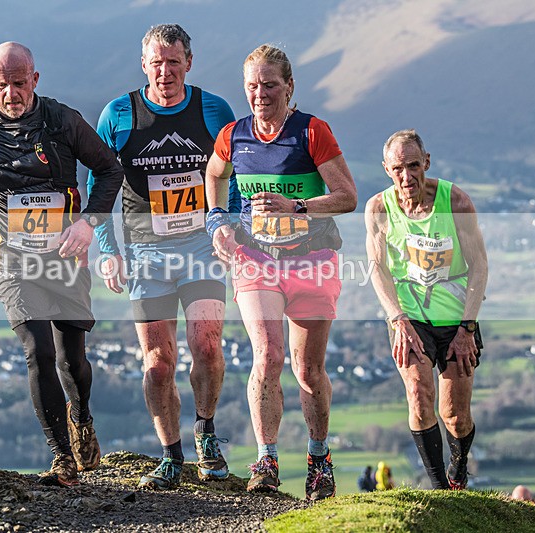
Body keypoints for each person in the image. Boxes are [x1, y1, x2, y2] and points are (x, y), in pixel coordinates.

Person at [0, 42, 124, 487]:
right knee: (38, 352)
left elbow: (110, 170)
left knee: (71, 361)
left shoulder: (63, 121)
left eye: (20, 83)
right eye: (2, 85)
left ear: (35, 80)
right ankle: (61, 456)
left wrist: (88, 224)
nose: (11, 94)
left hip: (65, 255)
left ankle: (81, 416)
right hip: (9, 260)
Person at [204, 44, 357, 500]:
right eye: (252, 86)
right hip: (257, 260)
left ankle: (318, 459)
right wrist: (217, 221)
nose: (260, 94)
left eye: (270, 85)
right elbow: (214, 175)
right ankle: (266, 459)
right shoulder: (234, 135)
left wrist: (298, 206)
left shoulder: (312, 132)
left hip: (313, 259)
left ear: (289, 87)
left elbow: (347, 196)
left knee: (308, 369)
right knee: (268, 356)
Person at [87, 24, 237, 490]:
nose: (166, 72)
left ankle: (206, 433)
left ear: (189, 63)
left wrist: (227, 227)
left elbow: (235, 174)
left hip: (200, 247)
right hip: (146, 252)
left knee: (208, 345)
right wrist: (110, 251)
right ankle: (172, 456)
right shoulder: (118, 115)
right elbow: (99, 189)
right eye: (157, 63)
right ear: (144, 65)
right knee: (157, 363)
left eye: (174, 62)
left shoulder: (214, 111)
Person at [365, 129, 487, 491]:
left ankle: (458, 469)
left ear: (427, 163)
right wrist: (397, 319)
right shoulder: (378, 209)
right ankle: (439, 488)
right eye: (398, 168)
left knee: (455, 415)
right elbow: (378, 268)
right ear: (387, 169)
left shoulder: (456, 202)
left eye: (414, 166)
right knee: (418, 393)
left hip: (456, 319)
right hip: (408, 318)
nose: (407, 177)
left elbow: (479, 266)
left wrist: (467, 329)